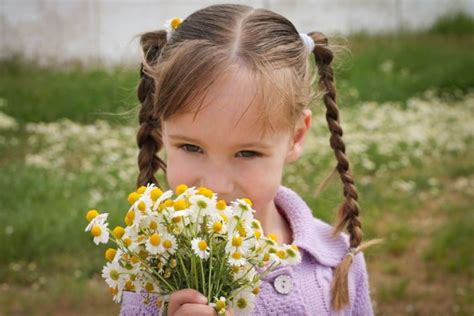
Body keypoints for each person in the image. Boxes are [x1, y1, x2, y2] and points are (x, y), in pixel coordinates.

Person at [120, 3, 374, 315]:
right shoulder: (155, 273)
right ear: (162, 129)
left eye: (246, 153)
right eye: (191, 147)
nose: (215, 185)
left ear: (295, 138)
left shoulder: (338, 260)